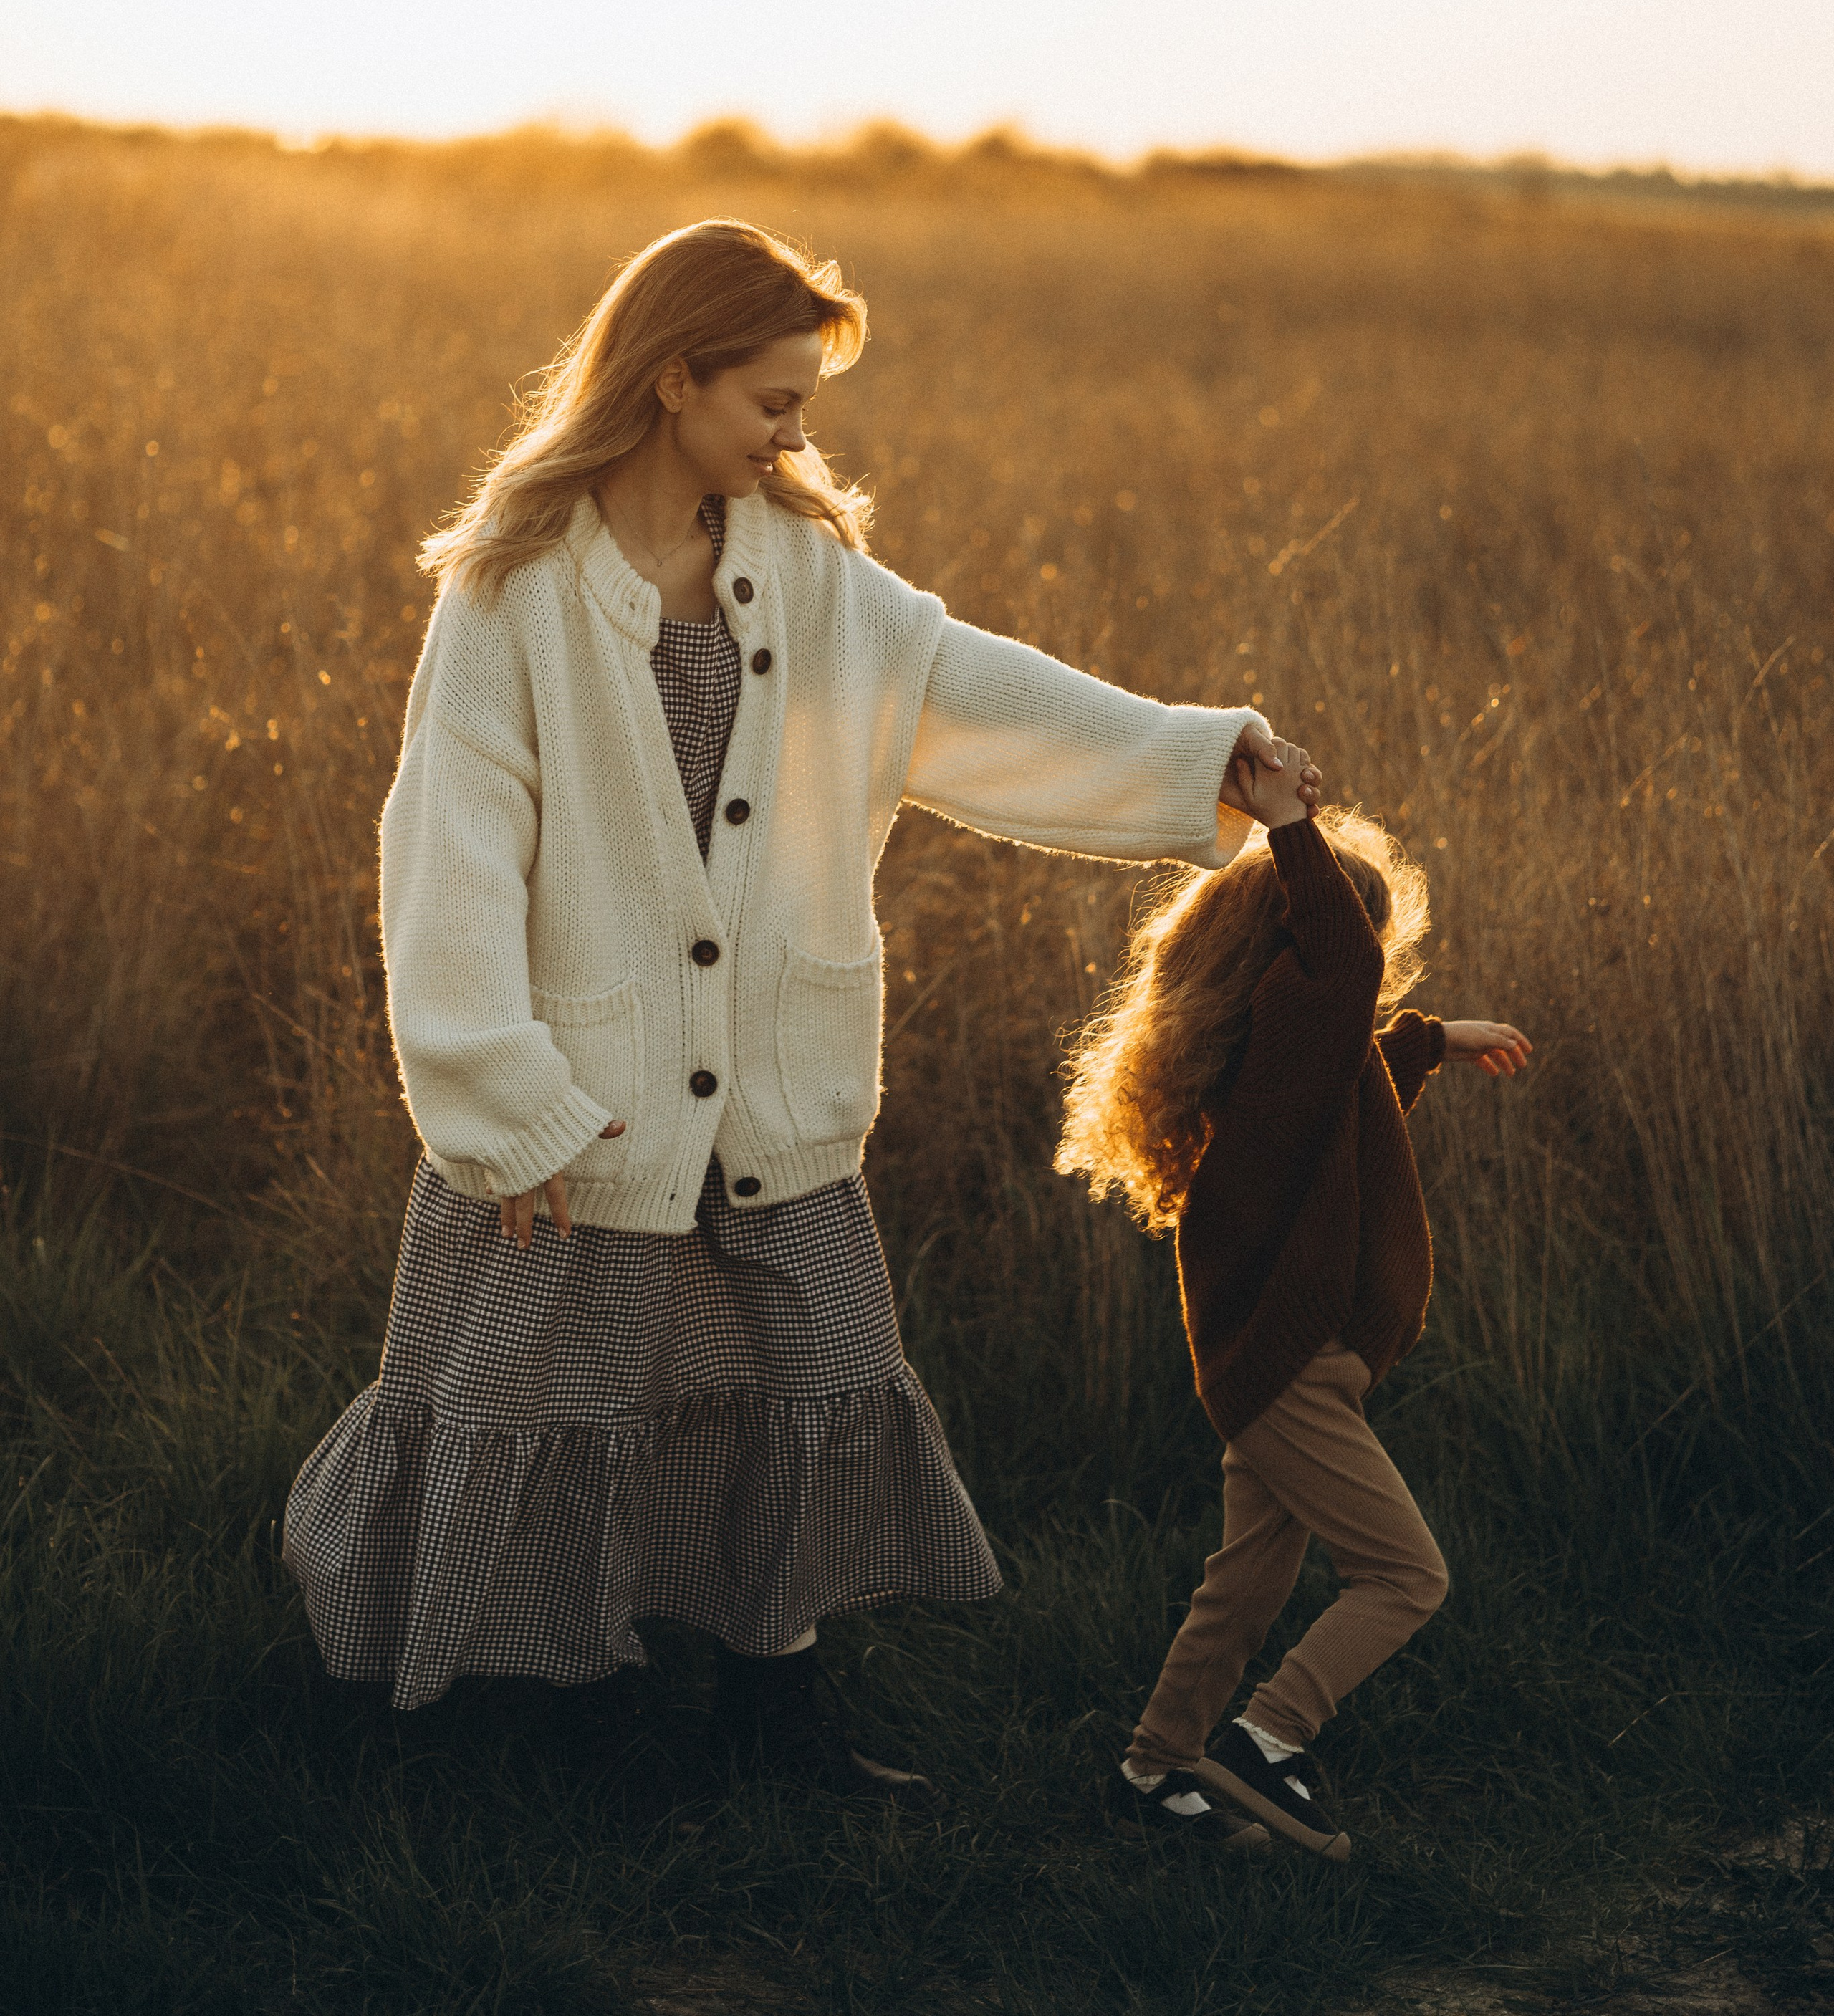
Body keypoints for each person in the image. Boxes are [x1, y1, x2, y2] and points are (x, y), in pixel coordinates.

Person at [284, 216, 1320, 1796]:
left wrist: (1201, 759)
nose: (796, 432)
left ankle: (778, 1729)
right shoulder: (513, 596)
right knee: (553, 1417)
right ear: (670, 378)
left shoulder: (807, 576)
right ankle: (540, 1730)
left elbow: (979, 692)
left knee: (800, 1393)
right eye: (771, 398)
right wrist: (500, 1097)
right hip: (582, 1114)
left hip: (774, 1103)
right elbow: (447, 859)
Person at [1056, 731, 1531, 1858]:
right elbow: (1337, 987)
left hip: (1272, 1362)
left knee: (1247, 1581)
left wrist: (1429, 1043)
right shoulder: (1306, 1005)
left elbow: (1345, 1085)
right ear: (1316, 947)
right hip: (1292, 1369)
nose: (1366, 962)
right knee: (1406, 1574)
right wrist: (1288, 829)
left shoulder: (1279, 1057)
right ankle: (1269, 1738)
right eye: (1359, 944)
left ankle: (1149, 1769)